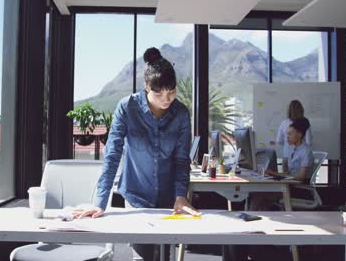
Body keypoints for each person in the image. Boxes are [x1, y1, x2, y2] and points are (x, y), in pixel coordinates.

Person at [72, 47, 201, 261]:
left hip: (170, 197)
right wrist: (100, 202)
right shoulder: (127, 107)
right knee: (142, 256)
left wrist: (181, 196)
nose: (166, 99)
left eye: (171, 91)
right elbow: (112, 156)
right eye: (158, 93)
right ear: (146, 87)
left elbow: (181, 161)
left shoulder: (181, 113)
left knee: (164, 256)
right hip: (136, 195)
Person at [224, 118, 314, 261]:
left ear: (300, 134)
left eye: (290, 134)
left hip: (298, 188)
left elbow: (301, 177)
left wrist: (277, 175)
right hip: (287, 184)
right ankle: (253, 232)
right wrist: (276, 174)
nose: (287, 137)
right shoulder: (292, 149)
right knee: (257, 194)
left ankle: (252, 233)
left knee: (260, 195)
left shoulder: (306, 151)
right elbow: (288, 172)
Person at [276, 100, 313, 166]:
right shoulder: (305, 122)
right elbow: (309, 142)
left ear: (289, 110)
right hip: (301, 157)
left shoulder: (284, 123)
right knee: (301, 176)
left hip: (286, 157)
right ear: (301, 110)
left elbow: (279, 141)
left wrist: (288, 145)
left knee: (286, 176)